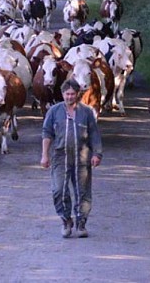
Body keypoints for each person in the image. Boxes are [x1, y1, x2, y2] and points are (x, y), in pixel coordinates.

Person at [41, 79, 103, 238]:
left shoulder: (87, 112)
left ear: (78, 95)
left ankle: (81, 223)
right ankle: (66, 219)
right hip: (60, 156)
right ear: (62, 94)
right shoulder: (54, 111)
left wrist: (97, 153)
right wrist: (44, 155)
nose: (69, 97)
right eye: (67, 94)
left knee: (82, 192)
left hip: (82, 157)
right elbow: (47, 133)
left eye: (72, 94)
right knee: (58, 190)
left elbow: (94, 134)